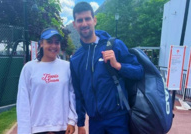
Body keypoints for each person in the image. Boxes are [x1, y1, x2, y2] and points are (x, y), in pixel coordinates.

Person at [70, 2, 144, 134]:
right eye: (79, 20)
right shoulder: (76, 59)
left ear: (94, 20)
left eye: (87, 18)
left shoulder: (114, 45)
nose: (84, 23)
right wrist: (80, 123)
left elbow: (139, 71)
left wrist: (118, 65)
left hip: (118, 119)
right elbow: (78, 94)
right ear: (75, 24)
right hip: (94, 123)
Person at [17, 28, 77, 134]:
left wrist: (72, 121)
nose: (53, 46)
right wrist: (24, 131)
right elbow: (23, 101)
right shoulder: (29, 68)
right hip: (37, 128)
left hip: (62, 128)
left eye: (57, 42)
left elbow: (72, 95)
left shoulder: (67, 67)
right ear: (41, 44)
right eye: (49, 42)